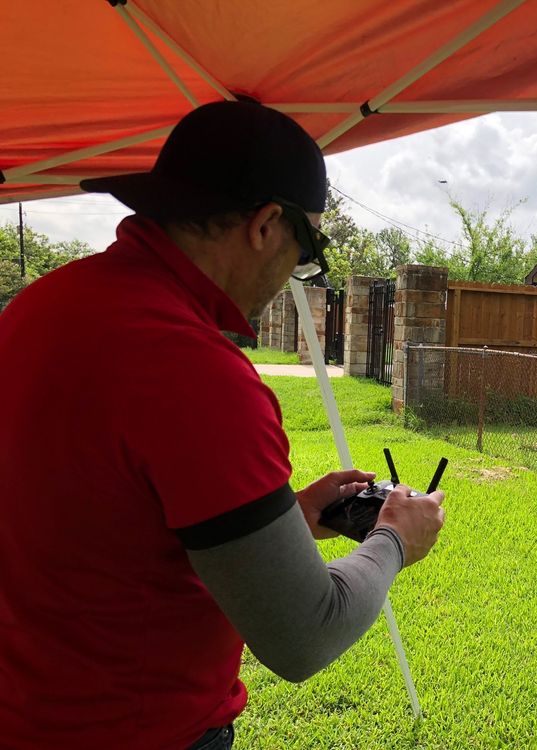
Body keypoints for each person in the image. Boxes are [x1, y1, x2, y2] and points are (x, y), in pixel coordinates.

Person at [0, 101, 445, 750]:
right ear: (267, 224)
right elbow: (304, 634)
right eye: (307, 247)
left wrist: (286, 519)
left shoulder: (40, 306)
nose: (294, 272)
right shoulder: (193, 369)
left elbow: (100, 519)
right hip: (135, 730)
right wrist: (396, 540)